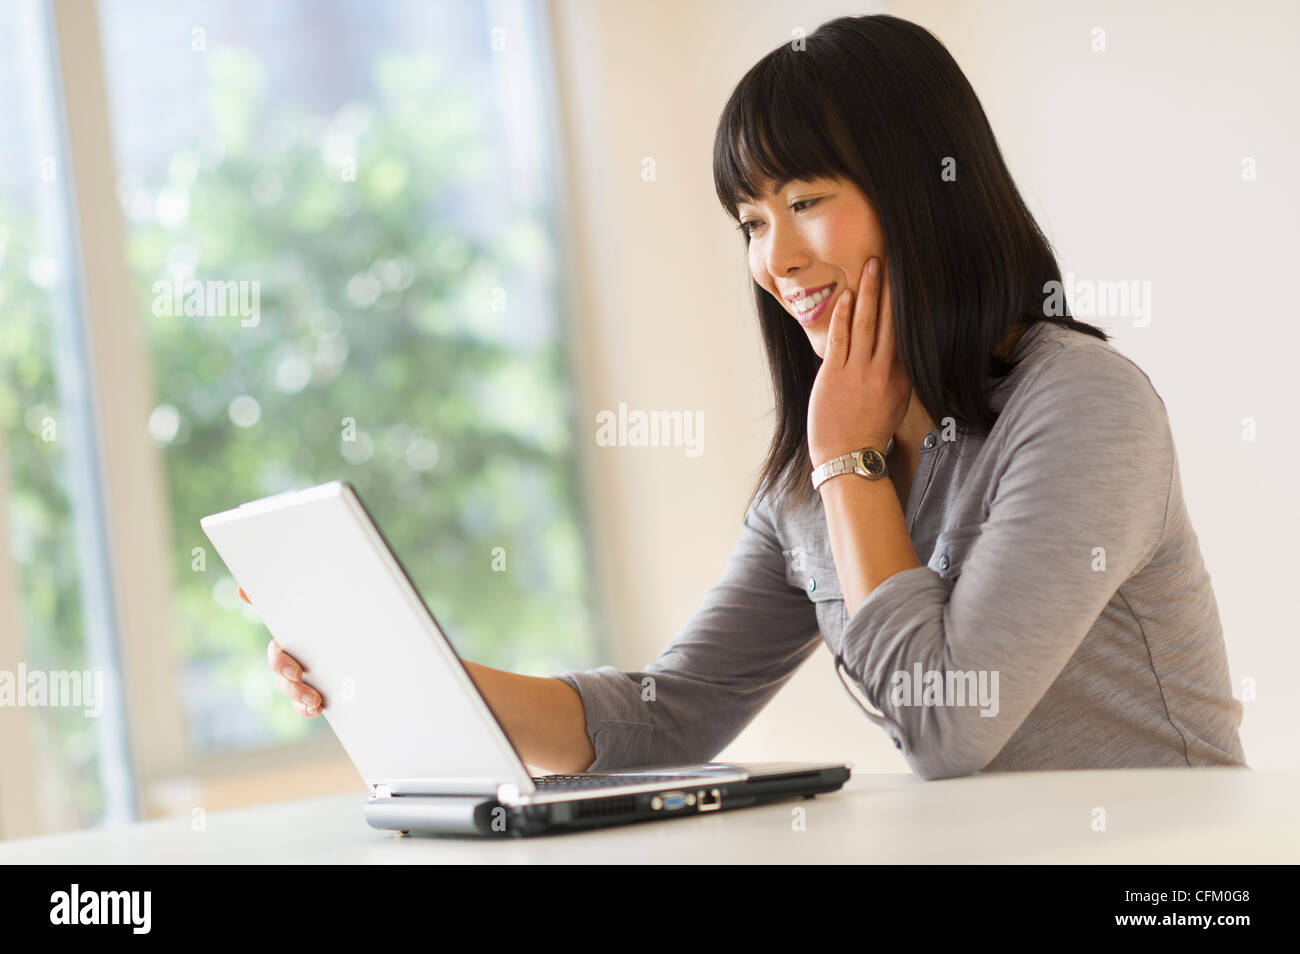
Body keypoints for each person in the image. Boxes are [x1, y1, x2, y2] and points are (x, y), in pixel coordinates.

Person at [266, 14, 1246, 780]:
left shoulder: (1080, 404)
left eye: (806, 202)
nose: (773, 260)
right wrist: (412, 679)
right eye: (748, 219)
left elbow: (950, 726)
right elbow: (665, 719)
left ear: (924, 190)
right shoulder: (808, 486)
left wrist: (849, 467)